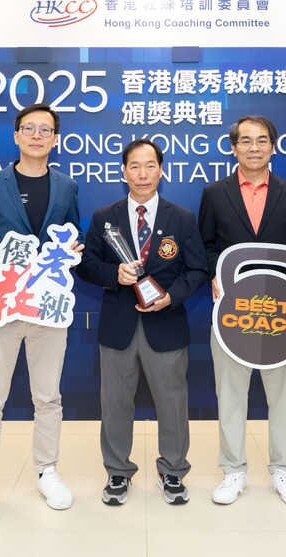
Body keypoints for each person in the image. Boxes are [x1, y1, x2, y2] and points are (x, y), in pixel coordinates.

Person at [0, 104, 82, 519]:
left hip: (47, 308)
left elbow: (73, 236)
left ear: (55, 139)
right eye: (29, 128)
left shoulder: (66, 187)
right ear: (16, 136)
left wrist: (75, 249)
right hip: (2, 306)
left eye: (45, 130)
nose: (36, 136)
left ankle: (47, 471)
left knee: (48, 396)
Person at [77, 139, 208, 506]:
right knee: (115, 403)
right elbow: (86, 265)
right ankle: (118, 471)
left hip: (166, 323)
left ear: (161, 171)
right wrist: (113, 274)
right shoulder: (105, 216)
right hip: (118, 325)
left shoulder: (181, 218)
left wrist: (172, 297)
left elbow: (198, 269)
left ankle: (173, 471)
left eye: (150, 165)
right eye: (134, 166)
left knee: (172, 402)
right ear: (123, 172)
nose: (143, 173)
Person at [198, 116, 286, 507]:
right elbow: (205, 247)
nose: (254, 148)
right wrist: (214, 275)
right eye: (245, 141)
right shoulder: (215, 193)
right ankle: (233, 470)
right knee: (230, 395)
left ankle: (284, 470)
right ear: (233, 148)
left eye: (262, 140)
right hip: (233, 312)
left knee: (284, 397)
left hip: (282, 314)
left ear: (272, 146)